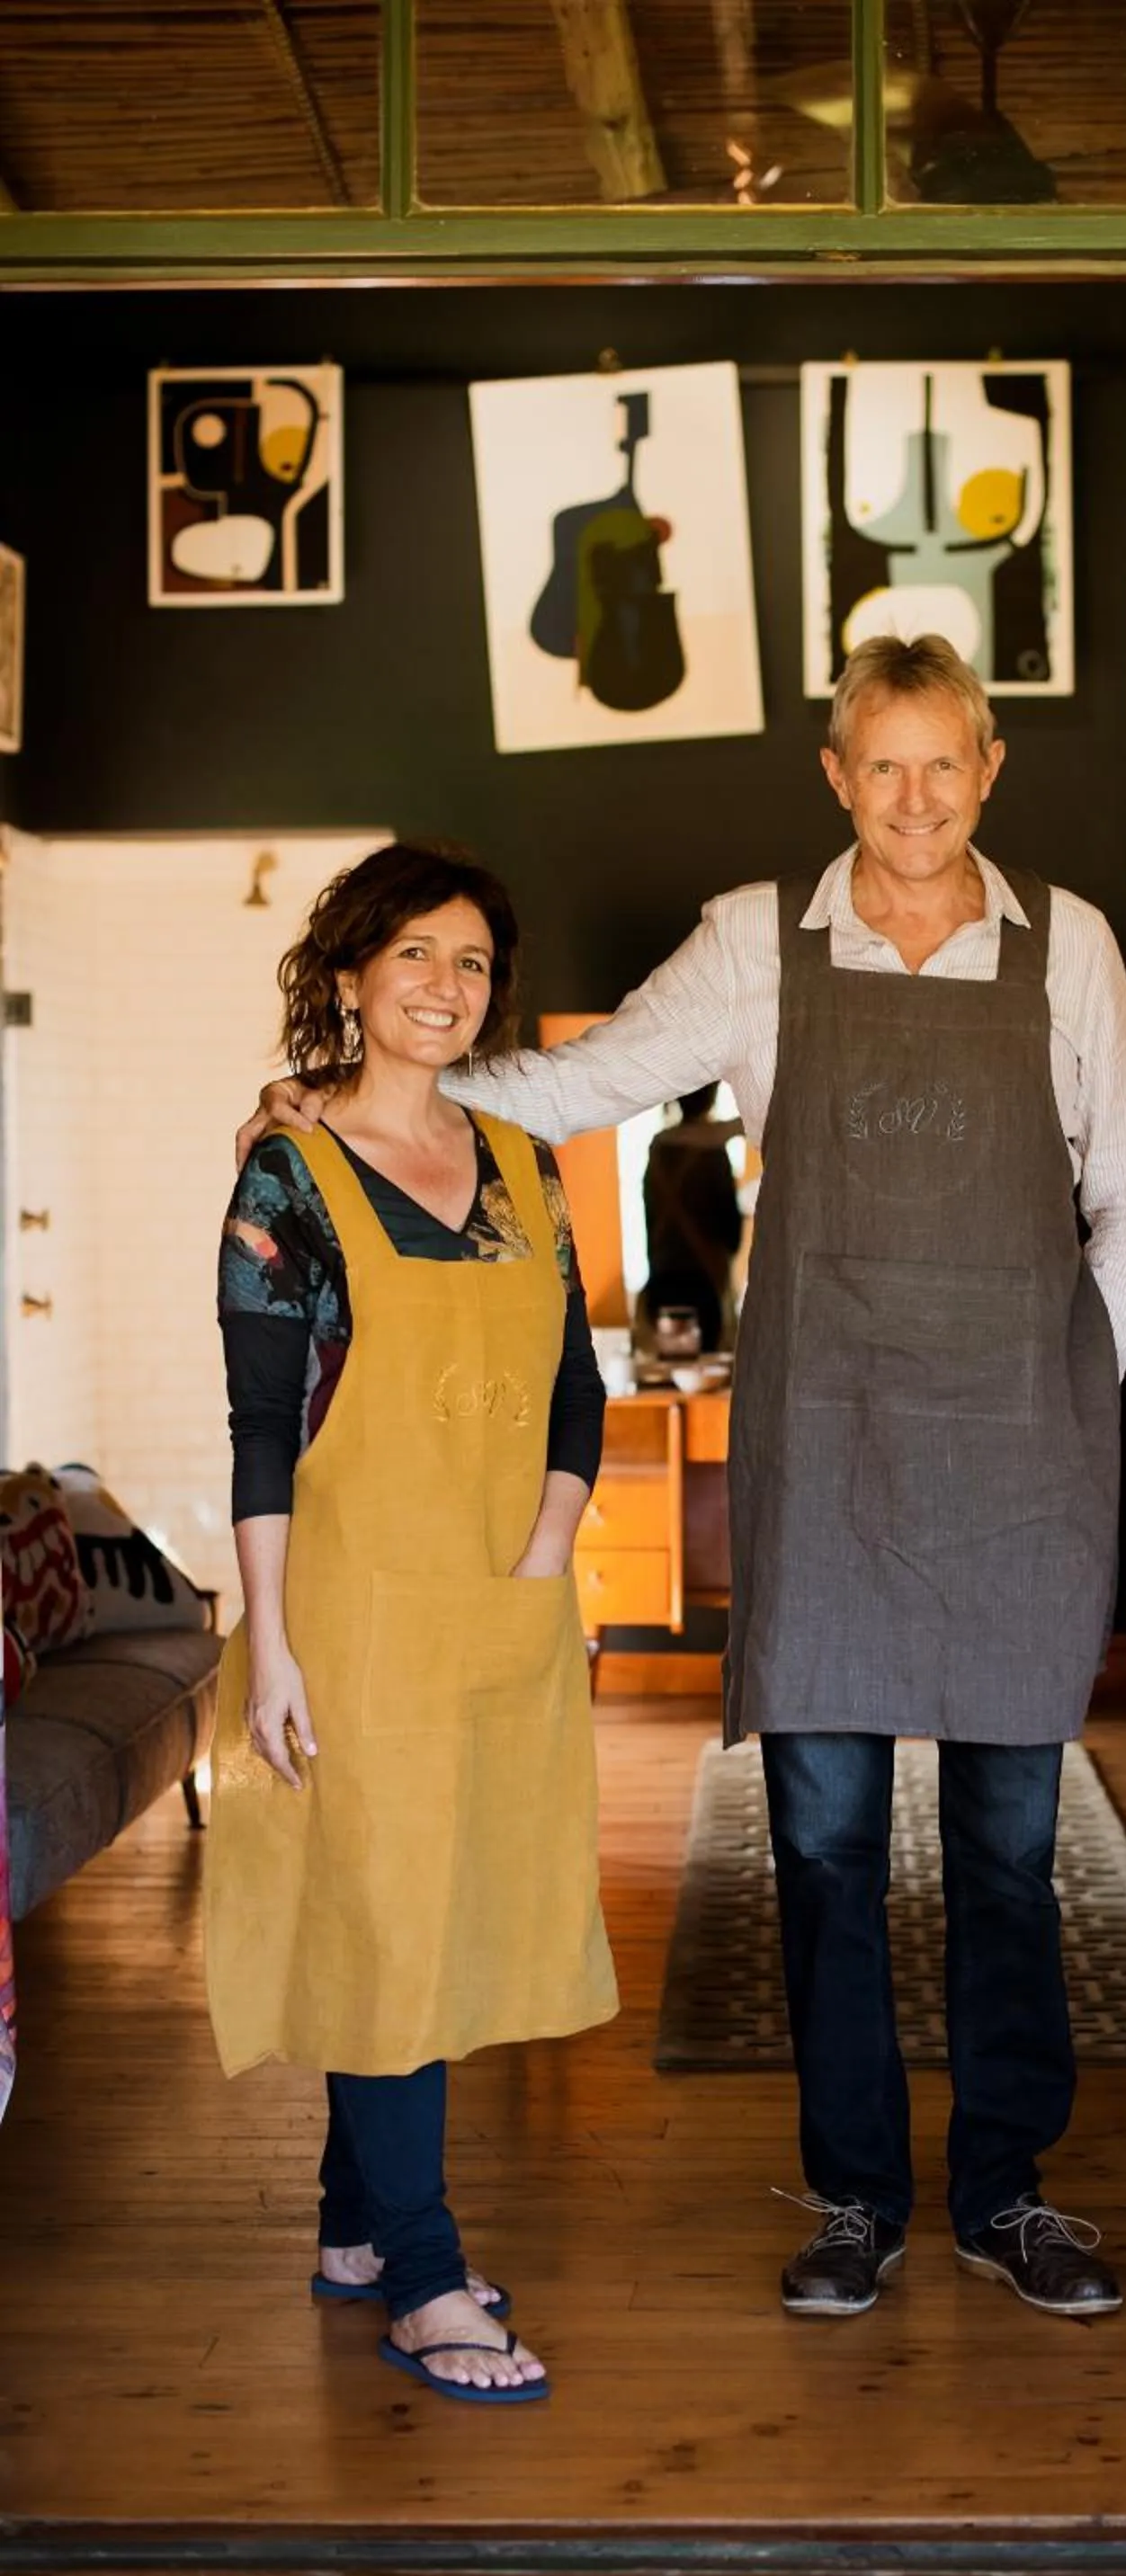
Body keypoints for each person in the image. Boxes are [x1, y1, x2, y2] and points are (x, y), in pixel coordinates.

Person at [241, 636, 1126, 2322]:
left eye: (940, 765)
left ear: (986, 769)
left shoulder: (1071, 948)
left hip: (1014, 1473)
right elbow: (590, 1087)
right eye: (877, 766)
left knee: (1007, 1857)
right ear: (835, 776)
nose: (911, 799)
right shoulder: (760, 940)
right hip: (827, 1462)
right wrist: (378, 1100)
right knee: (818, 1856)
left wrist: (1062, 1382)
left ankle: (1005, 2192)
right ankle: (854, 2200)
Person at [211, 842, 619, 2405]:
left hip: (498, 1600)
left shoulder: (518, 1162)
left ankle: (352, 2232)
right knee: (385, 1916)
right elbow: (259, 1424)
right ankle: (429, 2278)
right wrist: (273, 1644)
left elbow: (573, 1383)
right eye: (414, 957)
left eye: (471, 962)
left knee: (436, 1906)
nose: (446, 987)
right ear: (353, 975)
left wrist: (550, 1539)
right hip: (353, 1607)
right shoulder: (287, 1173)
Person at [638, 1083, 743, 1352]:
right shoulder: (713, 1152)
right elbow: (731, 1232)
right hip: (705, 1282)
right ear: (710, 1098)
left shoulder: (658, 1149)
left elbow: (648, 1215)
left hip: (661, 1280)